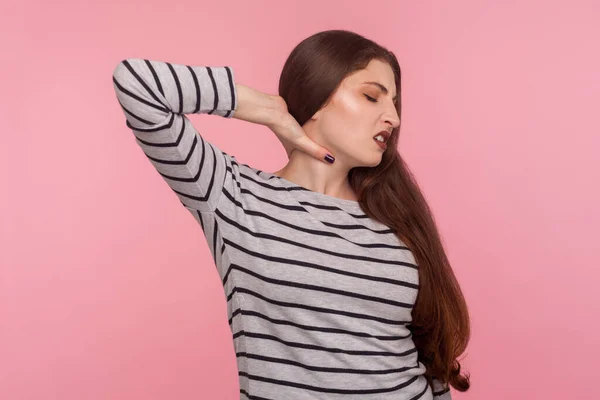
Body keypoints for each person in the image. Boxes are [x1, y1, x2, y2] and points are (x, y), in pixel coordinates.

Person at [112, 29, 470, 399]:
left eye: (395, 104)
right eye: (371, 96)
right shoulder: (233, 196)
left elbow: (429, 360)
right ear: (317, 96)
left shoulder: (398, 217)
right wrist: (265, 109)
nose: (393, 118)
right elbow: (137, 83)